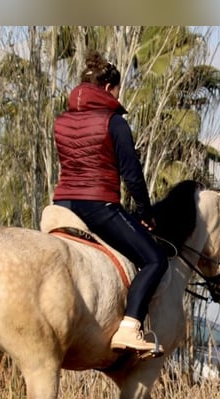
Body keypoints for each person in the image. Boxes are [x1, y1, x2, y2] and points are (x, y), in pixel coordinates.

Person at [52, 51, 168, 356]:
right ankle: (129, 328)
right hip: (97, 205)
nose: (118, 96)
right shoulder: (113, 122)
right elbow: (132, 175)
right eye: (118, 90)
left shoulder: (61, 121)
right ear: (107, 89)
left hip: (62, 205)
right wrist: (146, 214)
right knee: (155, 259)